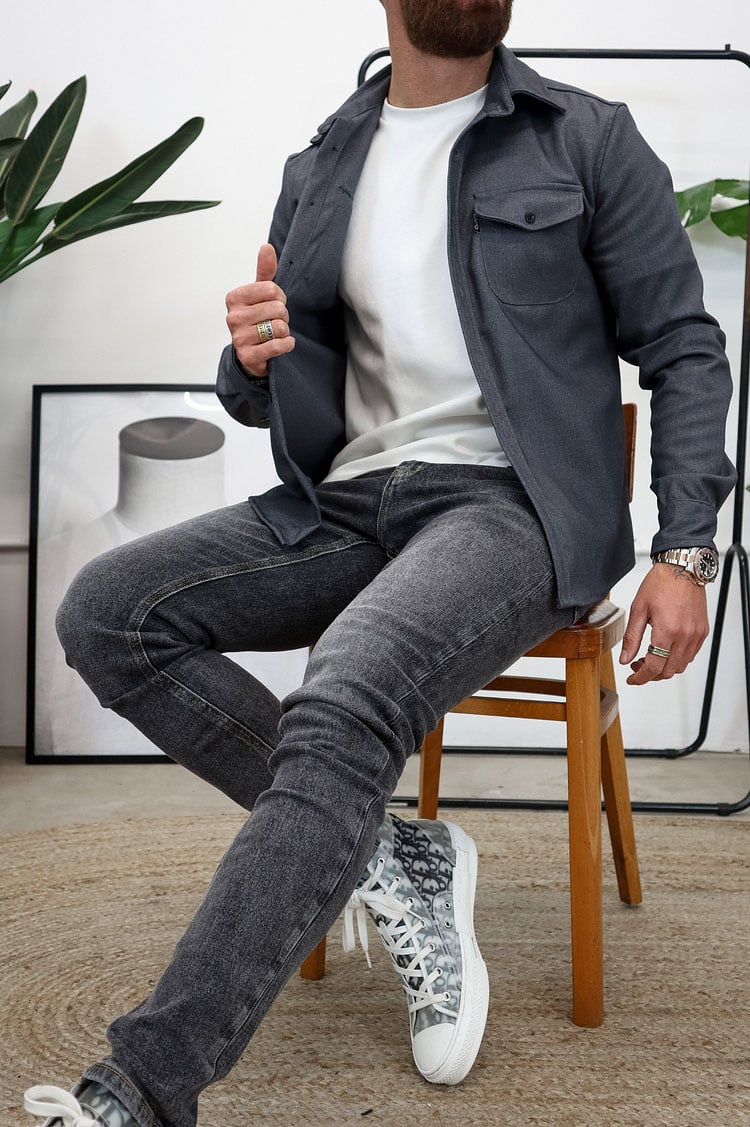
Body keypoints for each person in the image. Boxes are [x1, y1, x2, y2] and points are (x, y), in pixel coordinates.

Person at [25, 1, 736, 1124]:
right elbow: (263, 390)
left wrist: (685, 548)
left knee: (343, 694)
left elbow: (684, 347)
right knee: (109, 610)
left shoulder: (585, 138)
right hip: (346, 500)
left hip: (512, 506)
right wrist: (251, 355)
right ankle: (397, 858)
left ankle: (142, 1088)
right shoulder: (324, 164)